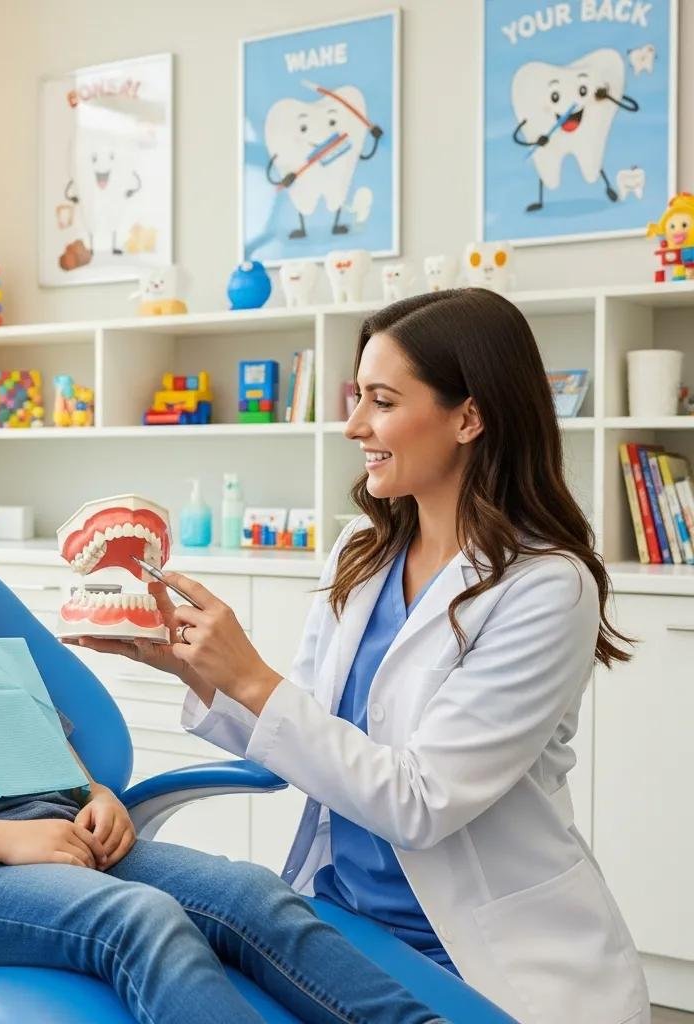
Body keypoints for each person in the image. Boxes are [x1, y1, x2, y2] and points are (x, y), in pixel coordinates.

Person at [73, 288, 651, 1024]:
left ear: (468, 417)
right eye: (357, 398)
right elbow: (310, 739)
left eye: (381, 401)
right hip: (343, 916)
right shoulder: (364, 551)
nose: (352, 425)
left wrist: (249, 672)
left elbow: (420, 803)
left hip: (475, 950)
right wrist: (193, 665)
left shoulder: (546, 587)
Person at [0, 458, 446, 1024]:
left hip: (76, 848)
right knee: (144, 920)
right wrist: (4, 839)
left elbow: (63, 770)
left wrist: (100, 796)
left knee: (254, 892)